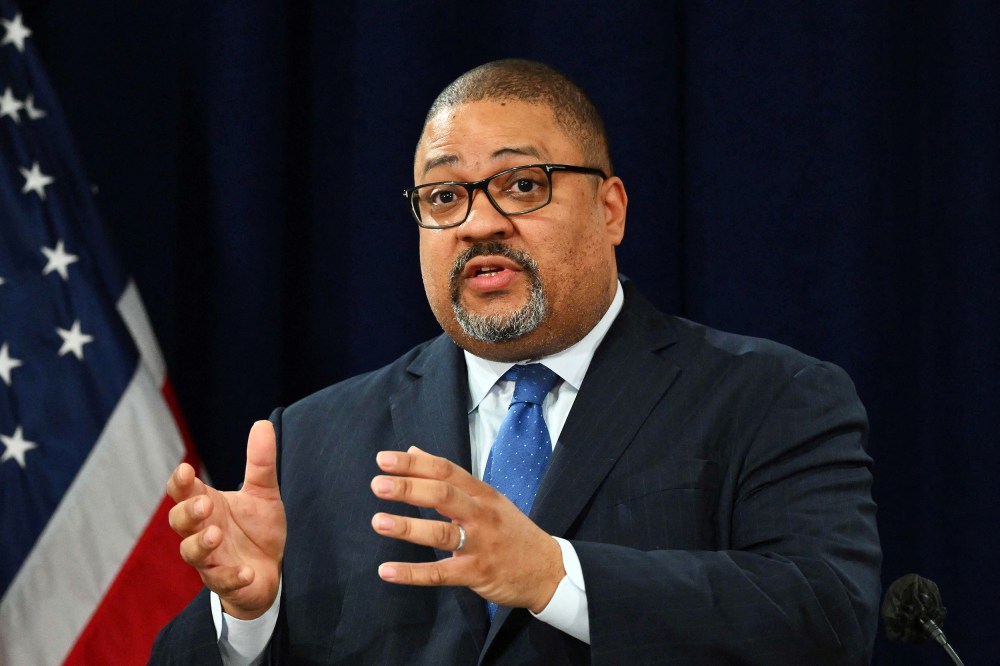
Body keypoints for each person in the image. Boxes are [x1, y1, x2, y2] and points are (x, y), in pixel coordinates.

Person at [150, 59, 881, 665]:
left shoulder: (771, 397)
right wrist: (247, 617)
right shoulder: (312, 441)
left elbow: (826, 614)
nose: (479, 222)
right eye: (444, 196)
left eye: (522, 185)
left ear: (611, 209)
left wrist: (555, 575)